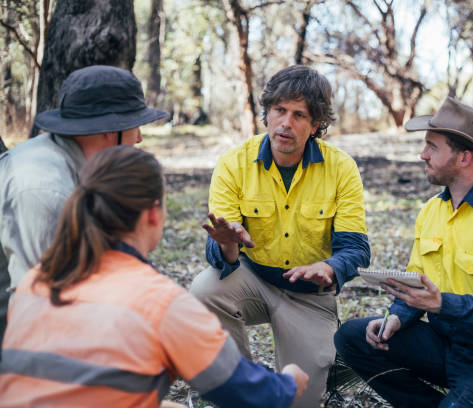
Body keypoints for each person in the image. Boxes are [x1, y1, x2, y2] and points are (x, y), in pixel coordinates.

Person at [0, 146, 308, 407]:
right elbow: (247, 391)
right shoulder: (160, 303)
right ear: (153, 213)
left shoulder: (37, 279)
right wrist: (290, 381)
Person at [334, 97, 473, 407]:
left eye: (432, 147)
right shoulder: (431, 211)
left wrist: (443, 303)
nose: (422, 155)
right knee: (352, 337)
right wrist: (397, 317)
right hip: (446, 346)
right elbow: (416, 283)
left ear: (463, 157)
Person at [189, 65, 370, 407]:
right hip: (252, 278)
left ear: (315, 125)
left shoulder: (341, 168)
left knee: (298, 400)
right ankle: (241, 387)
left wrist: (330, 268)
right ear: (267, 115)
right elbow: (219, 245)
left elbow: (355, 248)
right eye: (280, 111)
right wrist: (227, 244)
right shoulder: (233, 164)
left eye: (299, 115)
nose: (286, 123)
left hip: (309, 294)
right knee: (204, 290)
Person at [0, 65, 170, 346]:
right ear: (107, 130)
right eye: (134, 125)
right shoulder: (45, 189)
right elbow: (38, 301)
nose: (139, 137)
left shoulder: (77, 165)